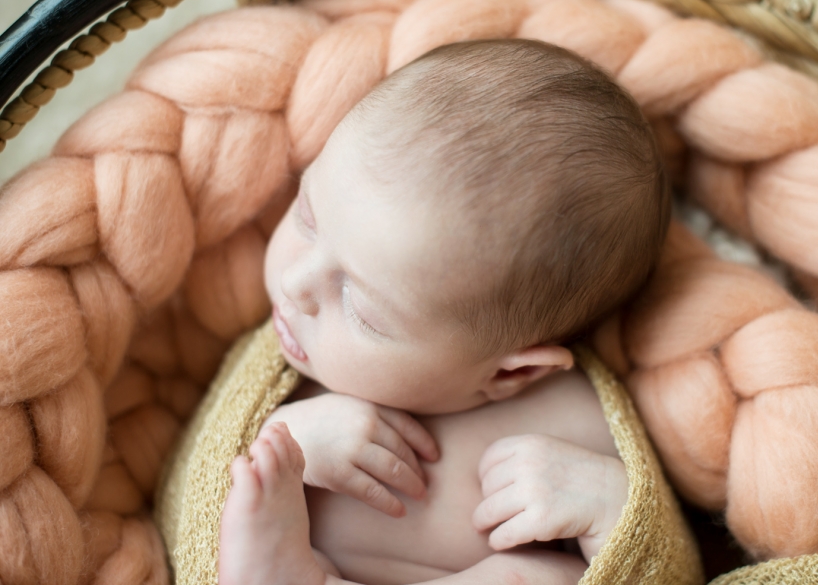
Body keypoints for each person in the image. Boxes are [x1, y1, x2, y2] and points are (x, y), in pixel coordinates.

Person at [217, 37, 670, 585]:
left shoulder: (574, 421)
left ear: (513, 372)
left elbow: (672, 565)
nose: (295, 284)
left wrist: (617, 512)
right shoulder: (296, 374)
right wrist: (285, 439)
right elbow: (201, 465)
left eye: (362, 309)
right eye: (307, 217)